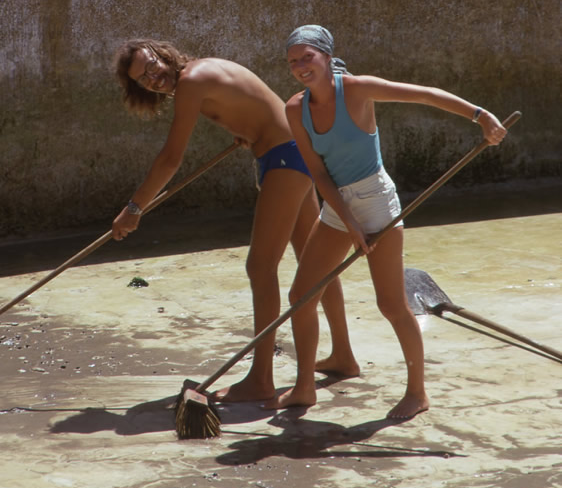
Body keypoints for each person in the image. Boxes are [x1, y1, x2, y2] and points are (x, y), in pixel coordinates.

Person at [273, 24, 508, 420]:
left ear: (327, 56)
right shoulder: (294, 108)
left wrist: (481, 116)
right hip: (338, 205)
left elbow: (424, 95)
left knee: (391, 303)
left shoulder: (358, 89)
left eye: (307, 57)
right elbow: (318, 171)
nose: (300, 66)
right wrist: (348, 223)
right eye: (293, 60)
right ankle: (304, 387)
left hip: (376, 201)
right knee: (302, 296)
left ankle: (417, 392)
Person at [111, 37, 349, 403]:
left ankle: (261, 379)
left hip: (286, 156)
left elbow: (171, 158)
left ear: (162, 53)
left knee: (260, 267)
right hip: (292, 150)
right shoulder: (199, 73)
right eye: (143, 78)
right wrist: (249, 132)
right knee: (313, 261)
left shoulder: (191, 80)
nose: (152, 77)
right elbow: (251, 106)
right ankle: (344, 357)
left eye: (152, 65)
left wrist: (134, 208)